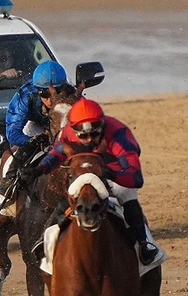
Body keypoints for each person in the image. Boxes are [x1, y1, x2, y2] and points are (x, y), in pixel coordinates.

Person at [36, 98, 159, 266]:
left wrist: (111, 174)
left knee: (126, 194)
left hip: (114, 172)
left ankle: (144, 243)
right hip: (84, 172)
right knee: (71, 194)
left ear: (102, 126)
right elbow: (56, 155)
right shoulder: (68, 133)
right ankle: (44, 238)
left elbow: (136, 178)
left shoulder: (118, 134)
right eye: (83, 135)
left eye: (94, 134)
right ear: (74, 130)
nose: (88, 140)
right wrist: (39, 169)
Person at [0, 60, 70, 208]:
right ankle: (9, 182)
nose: (51, 99)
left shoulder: (73, 95)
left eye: (56, 92)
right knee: (28, 139)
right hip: (37, 127)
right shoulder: (25, 95)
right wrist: (32, 141)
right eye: (45, 93)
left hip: (64, 128)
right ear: (37, 90)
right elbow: (12, 133)